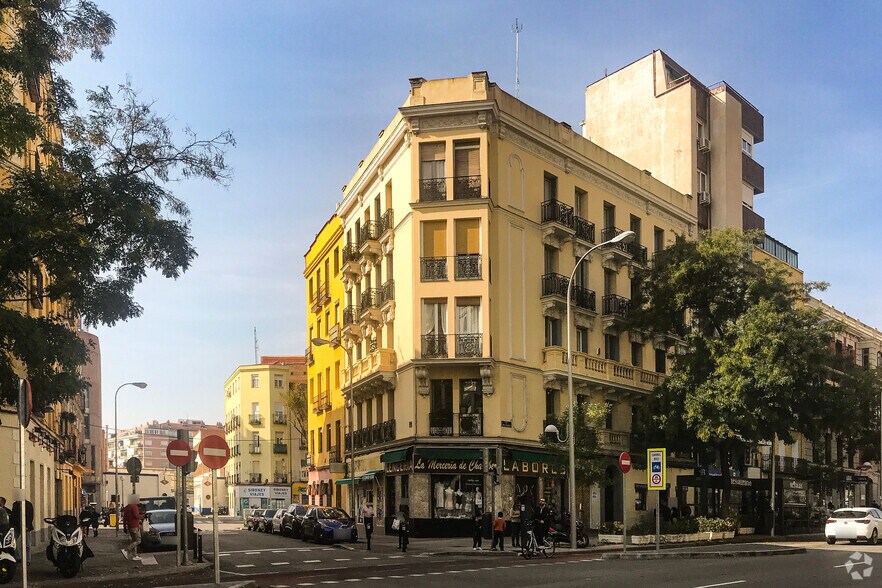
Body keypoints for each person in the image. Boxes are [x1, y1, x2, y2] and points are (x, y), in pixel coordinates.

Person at [11, 491, 34, 564]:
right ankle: (18, 558)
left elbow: (30, 516)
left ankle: (28, 560)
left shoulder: (28, 504)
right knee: (14, 541)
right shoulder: (15, 504)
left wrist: (27, 526)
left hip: (26, 527)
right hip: (16, 527)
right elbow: (13, 515)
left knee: (27, 544)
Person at [121, 494, 145, 561]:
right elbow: (136, 516)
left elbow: (125, 518)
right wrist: (143, 516)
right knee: (138, 540)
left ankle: (135, 555)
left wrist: (124, 527)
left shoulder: (127, 507)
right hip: (134, 525)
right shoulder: (134, 506)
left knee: (134, 540)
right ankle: (126, 550)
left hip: (130, 526)